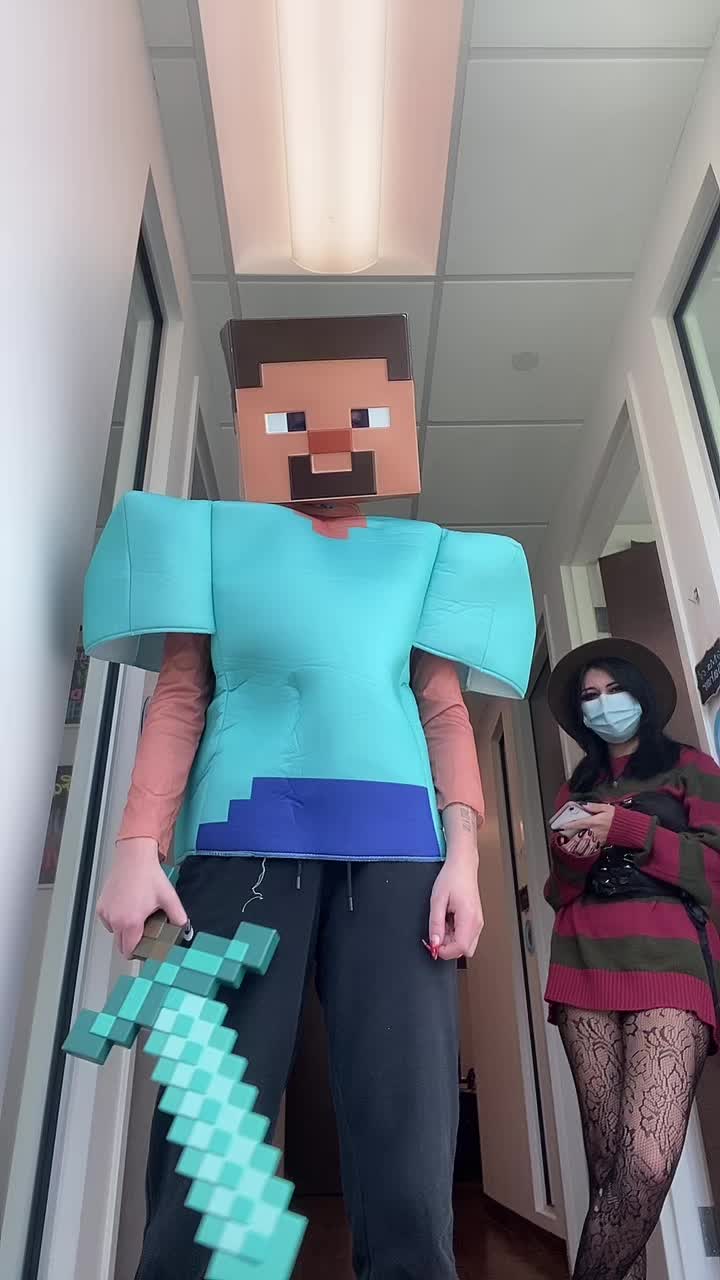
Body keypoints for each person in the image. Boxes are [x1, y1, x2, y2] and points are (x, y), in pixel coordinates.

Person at [83, 314, 536, 1279]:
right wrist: (134, 847)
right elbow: (180, 695)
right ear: (256, 423)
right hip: (238, 844)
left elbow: (442, 709)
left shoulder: (428, 553)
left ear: (395, 422)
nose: (328, 437)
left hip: (402, 852)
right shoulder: (209, 537)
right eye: (294, 418)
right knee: (211, 1125)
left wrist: (465, 858)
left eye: (360, 416)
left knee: (407, 1125)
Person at [544, 637, 720, 1280]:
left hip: (670, 964)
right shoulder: (576, 785)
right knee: (608, 1169)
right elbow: (559, 892)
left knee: (645, 1164)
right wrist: (574, 858)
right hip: (582, 962)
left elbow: (717, 869)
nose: (603, 705)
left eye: (614, 690)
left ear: (641, 695)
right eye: (590, 696)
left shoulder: (691, 767)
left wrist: (627, 829)